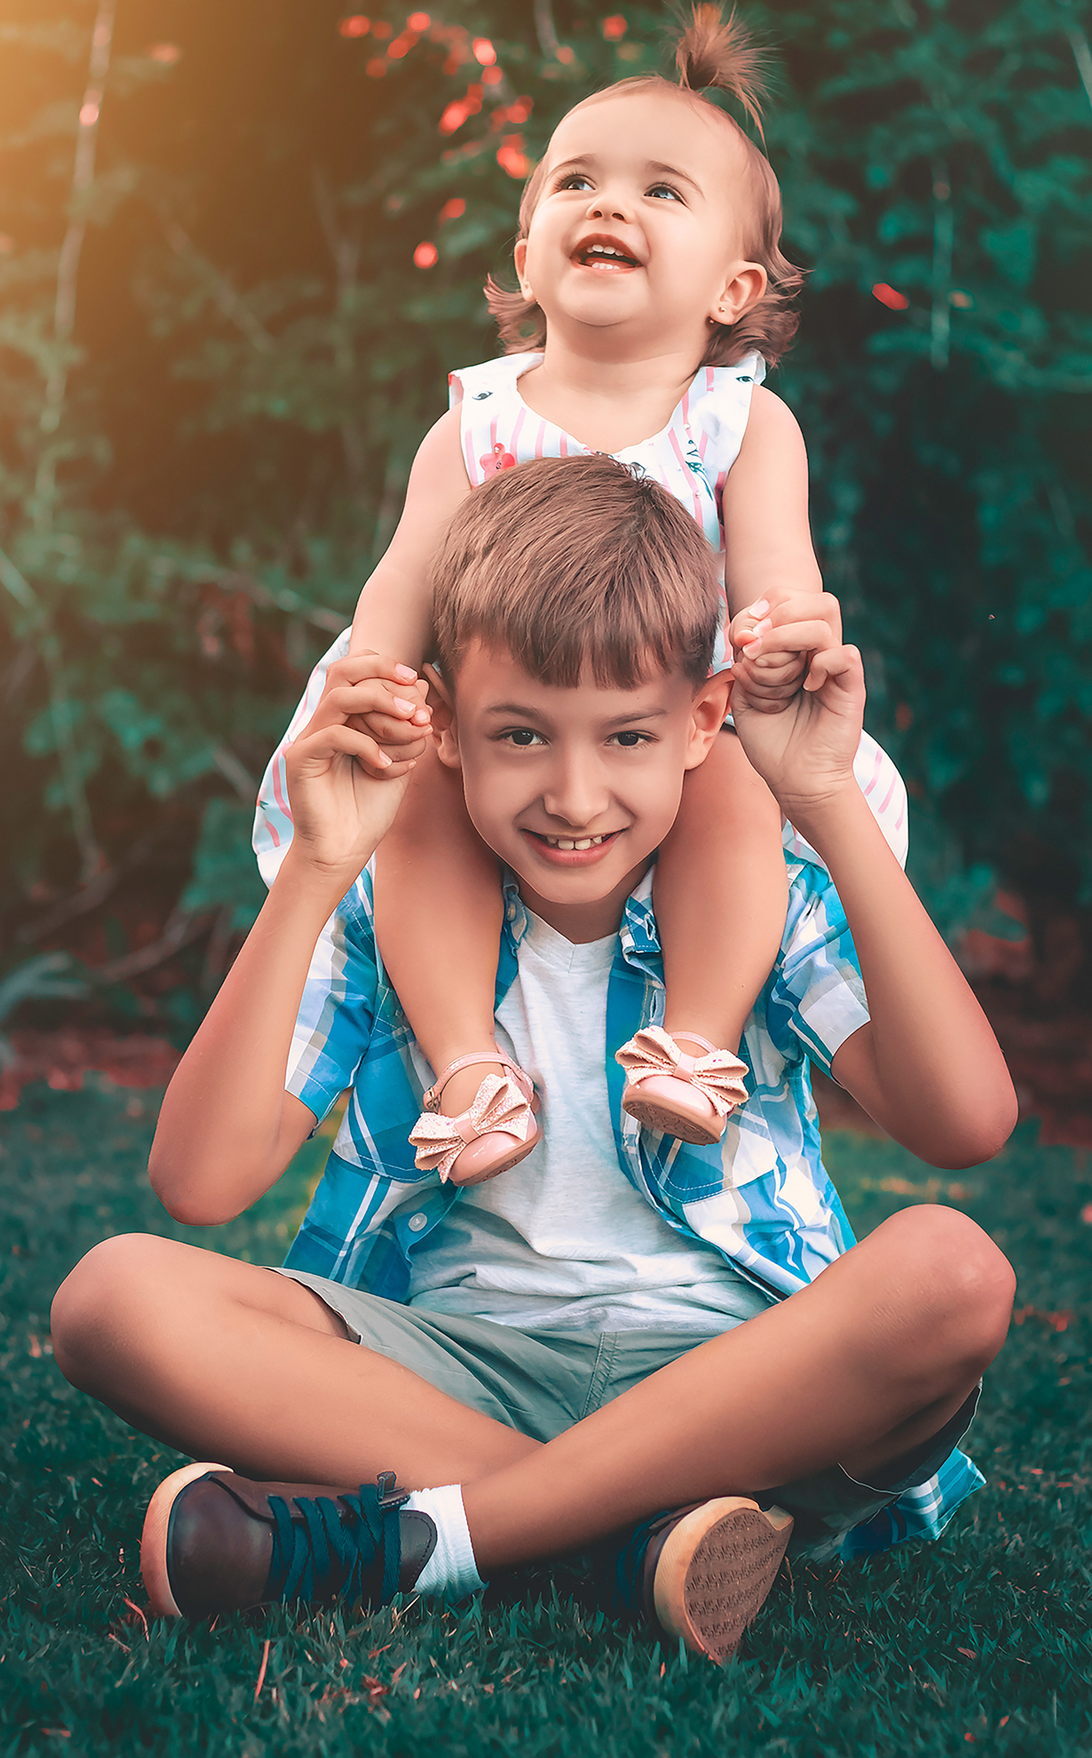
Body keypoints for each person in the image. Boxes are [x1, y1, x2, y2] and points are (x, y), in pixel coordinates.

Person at [51, 457, 1018, 1665]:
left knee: (954, 1274)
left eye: (626, 736)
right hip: (458, 1374)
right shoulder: (390, 907)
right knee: (111, 1299)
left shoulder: (765, 890)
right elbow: (199, 1182)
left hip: (741, 1376)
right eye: (521, 734)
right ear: (448, 726)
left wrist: (823, 796)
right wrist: (312, 866)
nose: (573, 794)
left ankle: (444, 1538)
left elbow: (968, 1122)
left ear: (706, 721)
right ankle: (634, 1541)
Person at [253, 5, 907, 1184]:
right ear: (525, 258)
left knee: (730, 788)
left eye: (662, 193)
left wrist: (776, 653)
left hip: (677, 728)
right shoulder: (475, 426)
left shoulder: (743, 425)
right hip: (504, 727)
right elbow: (400, 587)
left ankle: (694, 1045)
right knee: (426, 810)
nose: (608, 205)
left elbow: (774, 591)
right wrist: (381, 705)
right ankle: (470, 1071)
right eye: (577, 183)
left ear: (732, 285)